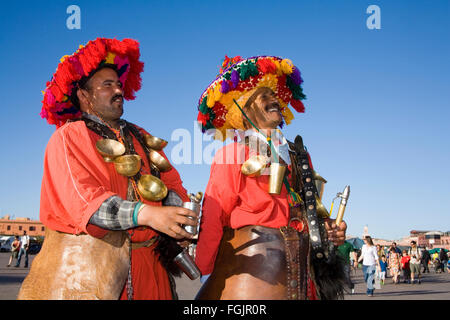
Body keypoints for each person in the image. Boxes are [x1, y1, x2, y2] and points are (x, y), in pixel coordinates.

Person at [18, 38, 197, 300]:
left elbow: (171, 185)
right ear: (84, 96)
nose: (118, 91)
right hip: (93, 271)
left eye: (119, 84)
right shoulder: (69, 136)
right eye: (107, 85)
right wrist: (147, 214)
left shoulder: (141, 135)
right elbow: (84, 202)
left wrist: (179, 220)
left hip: (153, 269)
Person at [194, 55, 347, 300]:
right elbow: (214, 215)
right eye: (263, 96)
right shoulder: (232, 153)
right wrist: (206, 270)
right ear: (242, 110)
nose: (274, 99)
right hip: (250, 279)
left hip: (303, 277)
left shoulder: (300, 154)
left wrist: (329, 230)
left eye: (273, 95)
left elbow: (312, 212)